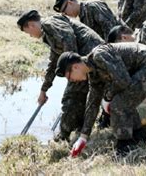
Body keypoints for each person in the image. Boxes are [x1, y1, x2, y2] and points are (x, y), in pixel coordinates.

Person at [54, 42, 146, 156]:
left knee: (118, 103)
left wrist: (107, 97)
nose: (72, 81)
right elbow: (92, 104)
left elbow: (123, 81)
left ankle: (125, 145)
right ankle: (139, 136)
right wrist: (83, 137)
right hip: (145, 67)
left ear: (75, 67)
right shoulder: (93, 74)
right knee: (124, 99)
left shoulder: (99, 56)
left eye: (69, 77)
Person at [17, 10, 104, 141]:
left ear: (31, 25)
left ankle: (62, 137)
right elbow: (53, 64)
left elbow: (69, 39)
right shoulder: (49, 35)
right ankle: (79, 130)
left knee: (71, 97)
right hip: (84, 62)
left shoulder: (50, 24)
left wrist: (72, 70)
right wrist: (44, 89)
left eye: (28, 32)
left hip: (90, 58)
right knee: (79, 96)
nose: (30, 36)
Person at [53, 0, 122, 41]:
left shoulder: (92, 6)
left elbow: (111, 29)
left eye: (65, 11)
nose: (66, 15)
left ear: (70, 3)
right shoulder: (83, 15)